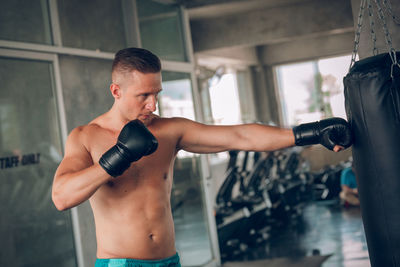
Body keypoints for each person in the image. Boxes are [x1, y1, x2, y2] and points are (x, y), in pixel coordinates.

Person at [51, 47, 352, 267]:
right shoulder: (86, 137)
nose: (153, 104)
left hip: (170, 260)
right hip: (120, 263)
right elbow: (61, 197)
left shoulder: (169, 131)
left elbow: (240, 136)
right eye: (143, 95)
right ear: (116, 91)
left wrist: (309, 133)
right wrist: (117, 156)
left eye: (156, 93)